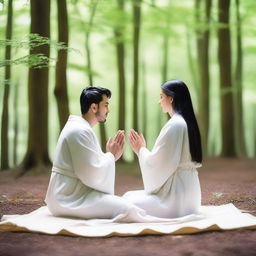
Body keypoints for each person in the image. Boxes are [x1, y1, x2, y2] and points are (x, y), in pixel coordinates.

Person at [45, 86, 145, 219]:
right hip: (68, 199)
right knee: (127, 209)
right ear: (94, 107)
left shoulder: (81, 128)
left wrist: (109, 156)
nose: (108, 110)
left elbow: (90, 166)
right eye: (105, 105)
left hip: (72, 195)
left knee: (130, 203)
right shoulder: (79, 131)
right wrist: (111, 155)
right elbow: (90, 174)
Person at [123, 80, 202, 218]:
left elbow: (160, 163)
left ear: (171, 98)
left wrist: (141, 150)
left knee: (125, 203)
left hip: (175, 199)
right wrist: (141, 150)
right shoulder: (185, 122)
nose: (159, 101)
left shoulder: (175, 124)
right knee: (128, 195)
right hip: (190, 196)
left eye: (161, 97)